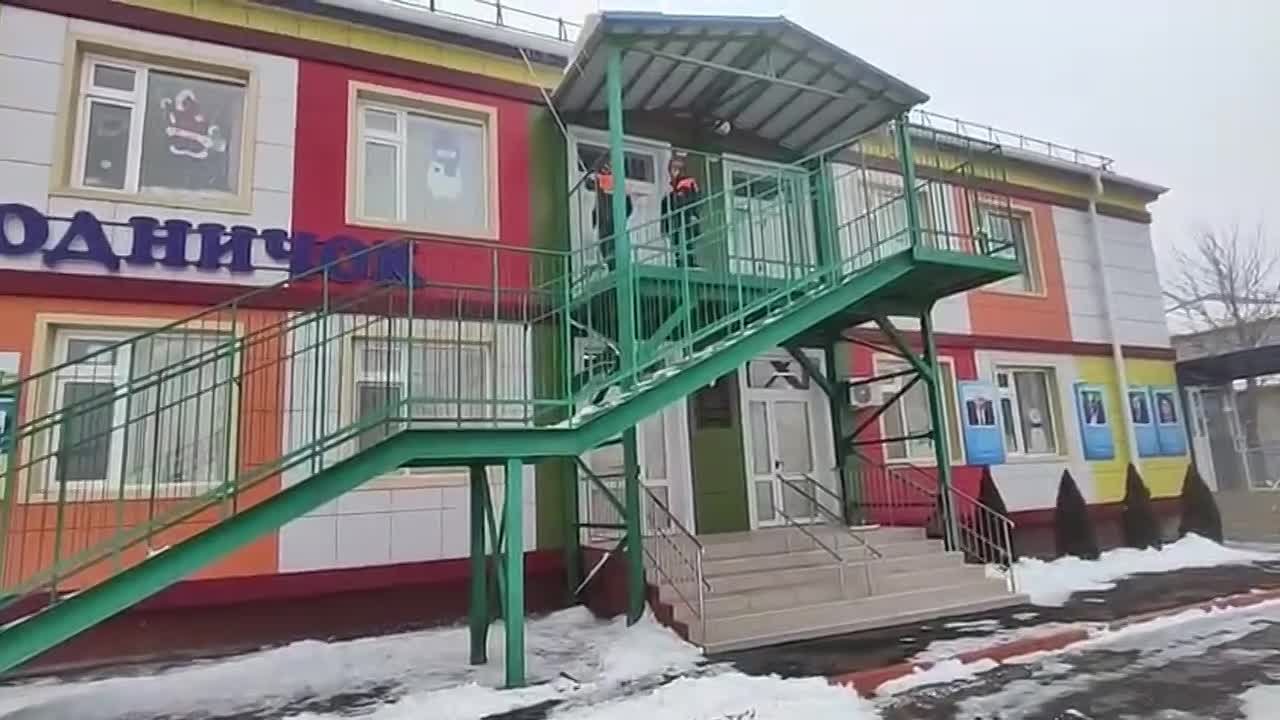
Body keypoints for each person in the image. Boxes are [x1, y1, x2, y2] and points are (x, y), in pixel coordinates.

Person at [660, 152, 702, 267]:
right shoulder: (674, 184)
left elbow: (694, 197)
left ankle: (690, 261)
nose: (673, 172)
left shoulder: (688, 181)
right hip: (677, 216)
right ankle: (679, 260)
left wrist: (694, 213)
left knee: (688, 238)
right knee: (677, 238)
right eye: (671, 169)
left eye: (675, 168)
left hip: (687, 214)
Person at [590, 163, 633, 271]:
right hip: (605, 225)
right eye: (604, 169)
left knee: (613, 247)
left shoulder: (618, 187)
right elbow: (596, 208)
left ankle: (616, 268)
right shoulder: (601, 190)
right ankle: (611, 268)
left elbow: (628, 207)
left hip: (614, 225)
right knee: (606, 248)